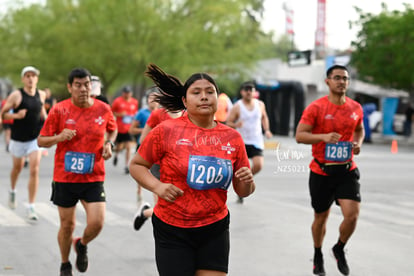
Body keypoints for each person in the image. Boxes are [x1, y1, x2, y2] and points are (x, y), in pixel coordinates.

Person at [129, 63, 255, 276]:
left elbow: (243, 191)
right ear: (185, 101)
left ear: (218, 98)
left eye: (210, 92)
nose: (204, 97)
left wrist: (248, 181)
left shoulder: (232, 138)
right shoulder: (166, 131)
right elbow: (137, 165)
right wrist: (157, 186)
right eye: (196, 93)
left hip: (214, 226)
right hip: (173, 227)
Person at [37, 68, 117, 276]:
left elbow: (112, 128)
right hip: (65, 177)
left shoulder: (103, 108)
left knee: (97, 222)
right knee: (67, 225)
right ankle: (65, 263)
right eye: (78, 85)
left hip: (94, 176)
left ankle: (81, 244)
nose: (83, 89)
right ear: (69, 87)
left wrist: (109, 143)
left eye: (87, 84)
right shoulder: (59, 110)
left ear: (92, 86)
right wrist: (58, 137)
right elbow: (41, 140)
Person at [295, 64, 364, 276]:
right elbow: (300, 135)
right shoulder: (316, 108)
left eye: (345, 78)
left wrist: (357, 142)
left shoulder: (355, 108)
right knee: (321, 218)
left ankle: (339, 248)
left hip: (346, 169)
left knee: (352, 216)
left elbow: (359, 129)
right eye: (337, 78)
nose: (341, 81)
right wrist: (323, 137)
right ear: (327, 82)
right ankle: (318, 253)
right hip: (321, 171)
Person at [0, 66, 47, 220]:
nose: (30, 78)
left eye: (33, 76)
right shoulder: (16, 95)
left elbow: (42, 113)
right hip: (18, 139)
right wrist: (17, 116)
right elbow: (4, 114)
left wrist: (50, 126)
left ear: (37, 79)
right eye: (27, 76)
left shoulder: (41, 95)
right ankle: (12, 191)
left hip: (35, 139)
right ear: (23, 79)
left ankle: (31, 206)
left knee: (34, 169)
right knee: (17, 168)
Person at [132, 106, 184, 229]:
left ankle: (145, 213)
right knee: (163, 208)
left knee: (176, 207)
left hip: (180, 167)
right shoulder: (157, 114)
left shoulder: (189, 115)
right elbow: (144, 140)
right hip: (159, 166)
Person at [226, 81, 272, 203]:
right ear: (242, 92)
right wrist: (236, 124)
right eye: (246, 90)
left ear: (254, 92)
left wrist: (267, 130)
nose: (248, 92)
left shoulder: (260, 104)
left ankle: (242, 182)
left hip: (256, 140)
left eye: (251, 90)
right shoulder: (237, 106)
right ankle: (242, 188)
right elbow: (228, 122)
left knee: (258, 165)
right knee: (242, 168)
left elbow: (264, 117)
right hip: (242, 142)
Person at [128, 86, 160, 205]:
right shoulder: (142, 113)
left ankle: (156, 201)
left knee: (158, 177)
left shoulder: (163, 114)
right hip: (143, 146)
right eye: (151, 99)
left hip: (157, 150)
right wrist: (146, 131)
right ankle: (139, 191)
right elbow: (131, 130)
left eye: (156, 99)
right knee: (142, 171)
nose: (153, 101)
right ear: (147, 101)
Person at [111, 85, 138, 174]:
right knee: (119, 146)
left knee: (128, 146)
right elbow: (111, 112)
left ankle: (126, 165)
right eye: (125, 93)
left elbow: (135, 114)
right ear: (123, 93)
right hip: (119, 128)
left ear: (131, 93)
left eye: (129, 93)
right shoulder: (118, 101)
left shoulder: (134, 102)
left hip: (129, 128)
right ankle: (117, 155)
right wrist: (119, 114)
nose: (127, 94)